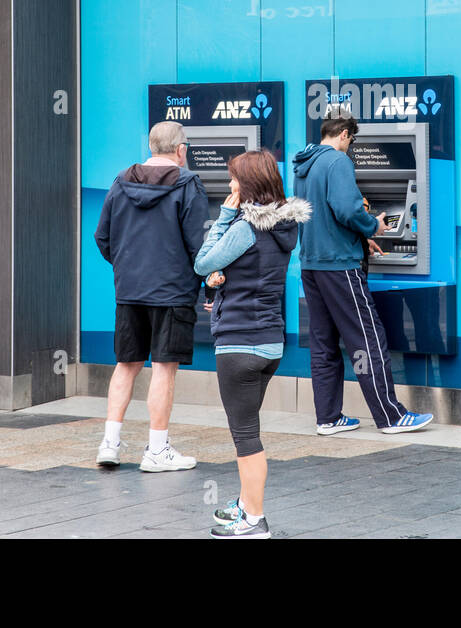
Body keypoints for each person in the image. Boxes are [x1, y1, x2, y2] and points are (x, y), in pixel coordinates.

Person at [194, 149, 311, 539]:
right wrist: (223, 279)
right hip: (269, 344)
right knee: (249, 428)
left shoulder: (245, 227)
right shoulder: (284, 228)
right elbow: (250, 272)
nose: (230, 185)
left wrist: (226, 215)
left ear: (247, 185)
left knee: (246, 436)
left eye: (234, 179)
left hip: (239, 345)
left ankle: (254, 520)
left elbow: (203, 261)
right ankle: (245, 503)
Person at [292, 114, 434, 435]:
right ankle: (391, 416)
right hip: (340, 266)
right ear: (344, 134)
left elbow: (322, 216)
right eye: (352, 141)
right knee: (367, 339)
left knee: (323, 343)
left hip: (312, 265)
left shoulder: (304, 165)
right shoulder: (337, 162)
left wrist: (358, 237)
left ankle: (328, 417)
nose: (351, 147)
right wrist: (374, 226)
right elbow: (346, 209)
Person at [93, 120, 207, 471]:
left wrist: (128, 269)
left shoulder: (121, 180)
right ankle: (157, 450)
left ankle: (109, 444)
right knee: (163, 368)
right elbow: (198, 247)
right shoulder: (188, 184)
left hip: (129, 291)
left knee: (126, 365)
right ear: (180, 149)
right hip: (172, 292)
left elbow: (103, 237)